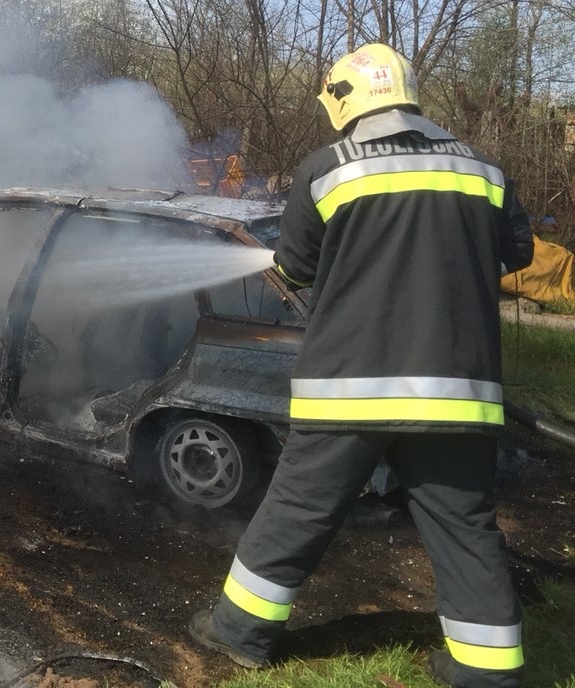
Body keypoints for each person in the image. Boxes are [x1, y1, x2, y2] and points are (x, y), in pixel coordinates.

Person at [187, 43, 534, 688]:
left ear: (343, 100)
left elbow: (292, 269)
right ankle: (486, 671)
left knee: (298, 509)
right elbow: (514, 252)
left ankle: (237, 632)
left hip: (347, 387)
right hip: (456, 390)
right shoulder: (483, 170)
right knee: (463, 525)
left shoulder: (326, 170)